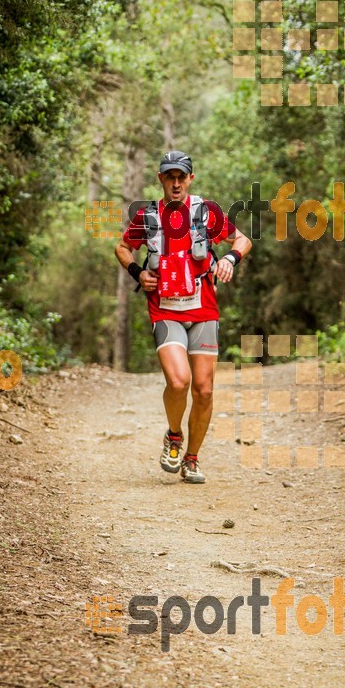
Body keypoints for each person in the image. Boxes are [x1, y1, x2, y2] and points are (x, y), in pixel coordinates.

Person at [115, 151, 251, 483]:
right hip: (164, 307)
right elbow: (121, 247)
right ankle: (174, 436)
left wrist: (230, 259)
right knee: (179, 382)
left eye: (181, 177)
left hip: (203, 307)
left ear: (190, 179)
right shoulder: (148, 216)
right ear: (161, 179)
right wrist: (137, 272)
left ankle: (192, 458)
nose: (176, 183)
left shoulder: (206, 212)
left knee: (204, 390)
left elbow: (243, 240)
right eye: (169, 176)